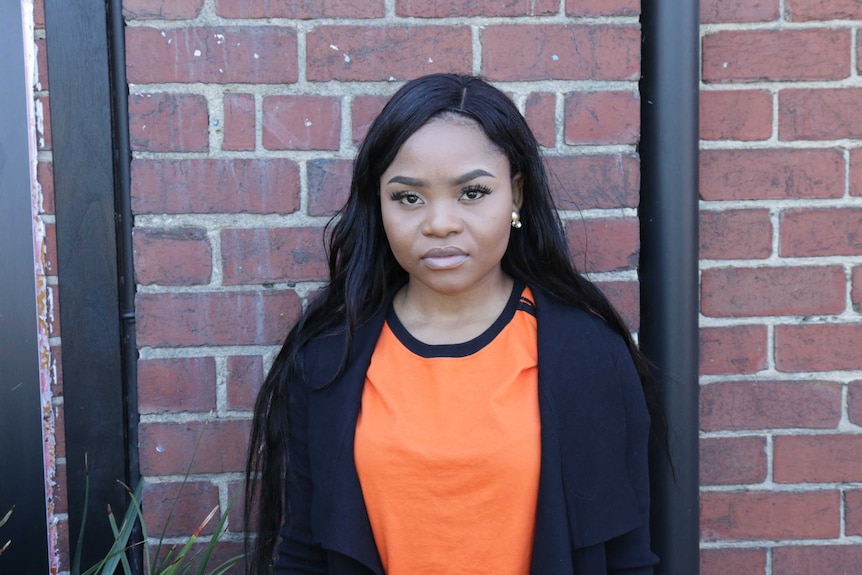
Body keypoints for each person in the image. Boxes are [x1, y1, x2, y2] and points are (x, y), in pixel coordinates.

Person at [245, 73, 660, 575]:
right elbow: (303, 554)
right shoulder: (329, 359)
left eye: (472, 193)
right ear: (379, 204)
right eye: (409, 198)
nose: (440, 222)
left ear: (517, 195)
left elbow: (628, 557)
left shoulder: (589, 354)